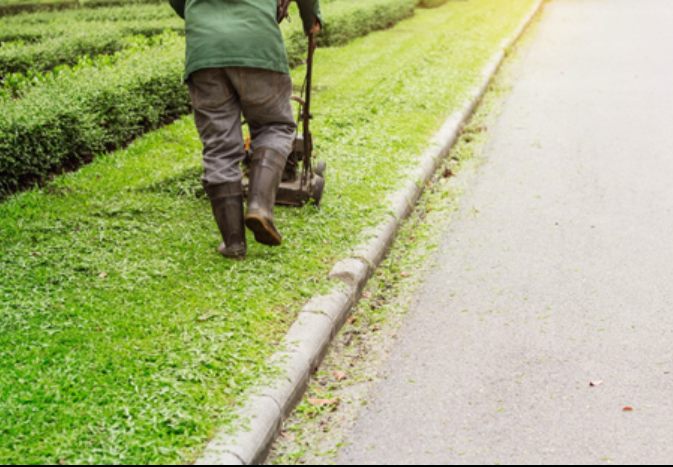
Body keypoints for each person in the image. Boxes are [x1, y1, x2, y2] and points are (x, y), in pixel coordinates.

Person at [169, 0, 322, 260]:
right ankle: (260, 207)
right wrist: (312, 20)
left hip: (205, 48)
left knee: (219, 145)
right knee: (274, 125)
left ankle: (233, 243)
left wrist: (203, 15)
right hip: (257, 43)